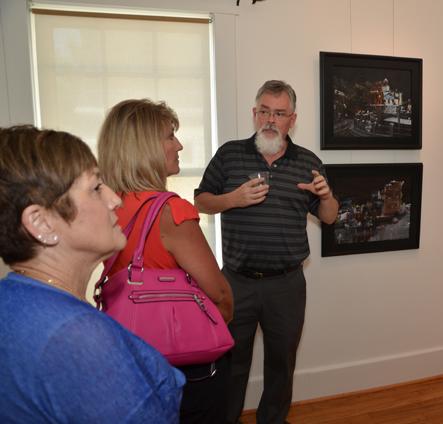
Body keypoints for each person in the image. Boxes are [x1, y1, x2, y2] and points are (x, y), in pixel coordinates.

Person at [0, 125, 185, 422]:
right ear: (41, 222)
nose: (115, 200)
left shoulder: (14, 299)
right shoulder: (77, 338)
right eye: (96, 188)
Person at [194, 80, 339, 424]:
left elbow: (329, 217)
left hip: (286, 285)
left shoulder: (308, 162)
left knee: (281, 364)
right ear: (254, 113)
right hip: (235, 282)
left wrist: (326, 194)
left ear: (292, 119)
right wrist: (233, 199)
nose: (270, 119)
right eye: (264, 111)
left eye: (279, 113)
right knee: (231, 364)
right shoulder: (230, 154)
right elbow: (200, 200)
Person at [97, 99, 234, 423]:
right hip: (185, 362)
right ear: (144, 147)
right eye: (170, 136)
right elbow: (220, 295)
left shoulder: (105, 205)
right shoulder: (171, 211)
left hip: (130, 351)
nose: (179, 145)